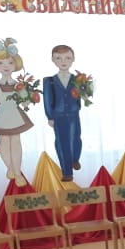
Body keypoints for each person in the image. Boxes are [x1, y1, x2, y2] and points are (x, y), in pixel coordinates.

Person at [0, 38, 33, 187]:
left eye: (10, 63)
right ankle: (12, 169)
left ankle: (16, 172)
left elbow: (25, 102)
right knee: (4, 141)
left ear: (16, 65)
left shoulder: (19, 85)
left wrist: (28, 98)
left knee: (16, 141)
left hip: (15, 115)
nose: (6, 66)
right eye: (1, 63)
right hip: (1, 117)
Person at [43, 44, 83, 182]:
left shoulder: (78, 79)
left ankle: (75, 159)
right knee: (62, 142)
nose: (63, 61)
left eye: (67, 58)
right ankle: (67, 172)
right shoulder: (49, 81)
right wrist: (50, 116)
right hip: (58, 115)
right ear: (53, 60)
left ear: (73, 59)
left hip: (73, 113)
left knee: (76, 138)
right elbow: (47, 99)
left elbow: (81, 95)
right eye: (58, 58)